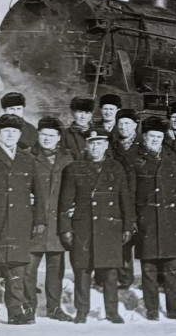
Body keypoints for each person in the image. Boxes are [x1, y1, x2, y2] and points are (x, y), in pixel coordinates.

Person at [58, 127, 134, 324]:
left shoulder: (116, 168)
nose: (95, 148)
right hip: (84, 228)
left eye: (99, 143)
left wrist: (128, 226)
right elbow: (65, 203)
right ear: (86, 145)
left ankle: (112, 311)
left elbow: (125, 200)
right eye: (91, 144)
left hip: (109, 227)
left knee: (110, 272)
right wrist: (66, 229)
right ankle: (81, 311)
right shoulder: (74, 169)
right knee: (82, 271)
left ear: (106, 145)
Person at [127, 116, 176, 322]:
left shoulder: (171, 158)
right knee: (149, 269)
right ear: (144, 137)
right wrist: (133, 220)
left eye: (158, 136)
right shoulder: (135, 159)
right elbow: (129, 193)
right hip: (146, 220)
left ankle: (174, 309)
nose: (155, 140)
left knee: (172, 268)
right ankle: (152, 309)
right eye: (151, 136)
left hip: (169, 220)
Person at [0, 114, 43, 326]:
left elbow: (38, 193)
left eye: (14, 131)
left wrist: (40, 221)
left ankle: (15, 312)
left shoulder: (27, 159)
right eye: (6, 131)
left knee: (17, 268)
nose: (10, 135)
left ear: (19, 134)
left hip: (20, 220)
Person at [25, 116, 75, 322]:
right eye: (43, 134)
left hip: (57, 224)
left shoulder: (68, 159)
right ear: (38, 135)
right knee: (29, 269)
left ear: (59, 137)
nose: (47, 138)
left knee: (56, 270)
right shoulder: (28, 156)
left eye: (51, 135)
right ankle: (28, 308)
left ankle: (54, 308)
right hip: (34, 223)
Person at [109, 108, 141, 288]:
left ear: (135, 125)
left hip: (140, 198)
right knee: (123, 240)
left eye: (128, 123)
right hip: (119, 198)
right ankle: (124, 278)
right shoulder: (112, 147)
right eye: (120, 124)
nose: (123, 127)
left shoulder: (143, 146)